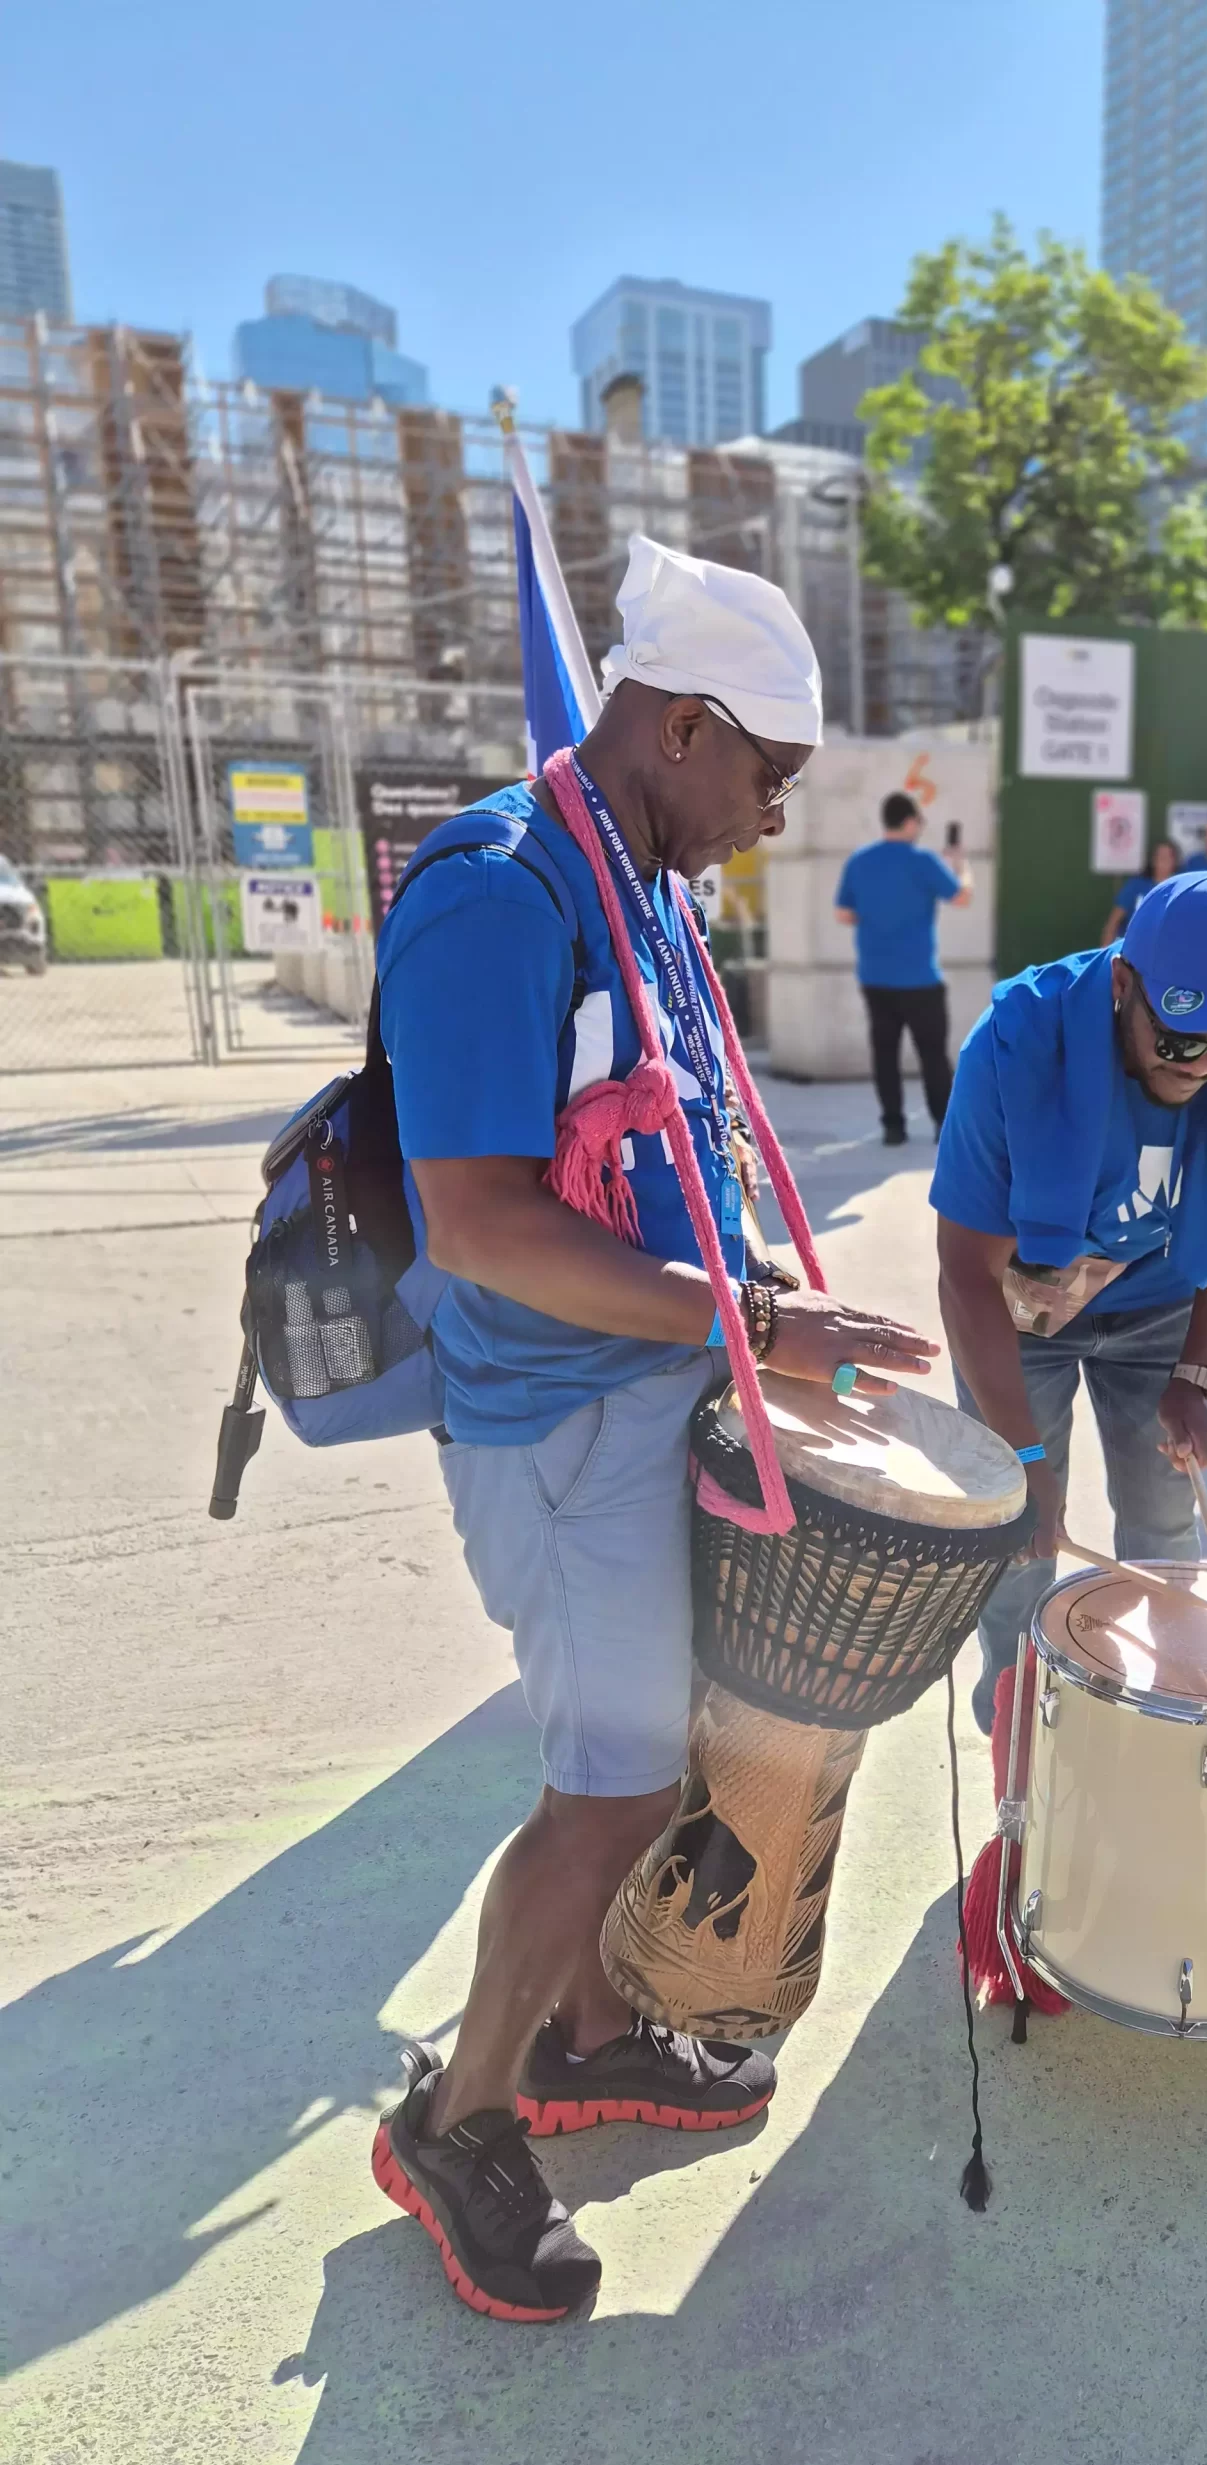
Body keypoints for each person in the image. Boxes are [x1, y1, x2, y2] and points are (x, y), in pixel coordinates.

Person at [369, 534, 939, 2322]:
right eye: (768, 773)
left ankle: (588, 2031)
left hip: (661, 1388)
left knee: (667, 1750)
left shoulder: (651, 887)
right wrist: (755, 1325)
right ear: (683, 727)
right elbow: (478, 1221)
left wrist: (767, 1324)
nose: (772, 815)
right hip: (552, 1430)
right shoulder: (497, 891)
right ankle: (457, 2121)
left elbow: (670, 1154)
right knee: (609, 1788)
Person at [933, 867, 1207, 1731]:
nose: (1204, 1067)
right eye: (1180, 1042)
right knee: (1021, 1544)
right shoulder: (1016, 1042)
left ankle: (1166, 1732)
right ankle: (1017, 1742)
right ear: (1122, 985)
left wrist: (1195, 1372)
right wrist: (1025, 1461)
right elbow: (966, 1274)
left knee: (1164, 1528)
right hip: (1019, 1308)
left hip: (1165, 1302)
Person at [835, 790, 972, 1145]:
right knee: (933, 1055)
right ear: (910, 822)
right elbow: (961, 896)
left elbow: (844, 913)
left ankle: (893, 1127)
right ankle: (943, 1125)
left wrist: (878, 918)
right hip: (920, 978)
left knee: (885, 1054)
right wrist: (960, 866)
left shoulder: (860, 861)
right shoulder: (923, 861)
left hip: (875, 976)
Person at [1100, 837, 1180, 945]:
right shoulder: (1136, 885)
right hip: (1132, 946)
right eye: (1160, 856)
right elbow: (1112, 923)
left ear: (1175, 861)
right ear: (1153, 860)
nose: (1163, 860)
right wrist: (1106, 952)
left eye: (1168, 857)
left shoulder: (1181, 888)